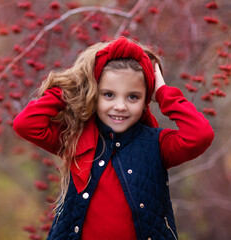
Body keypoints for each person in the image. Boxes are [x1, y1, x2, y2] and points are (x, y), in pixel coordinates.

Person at [13, 36, 214, 240]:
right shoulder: (75, 138)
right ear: (93, 94)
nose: (120, 106)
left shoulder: (157, 144)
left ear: (146, 99)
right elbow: (26, 124)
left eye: (132, 97)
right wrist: (74, 86)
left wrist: (163, 91)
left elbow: (200, 135)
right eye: (108, 95)